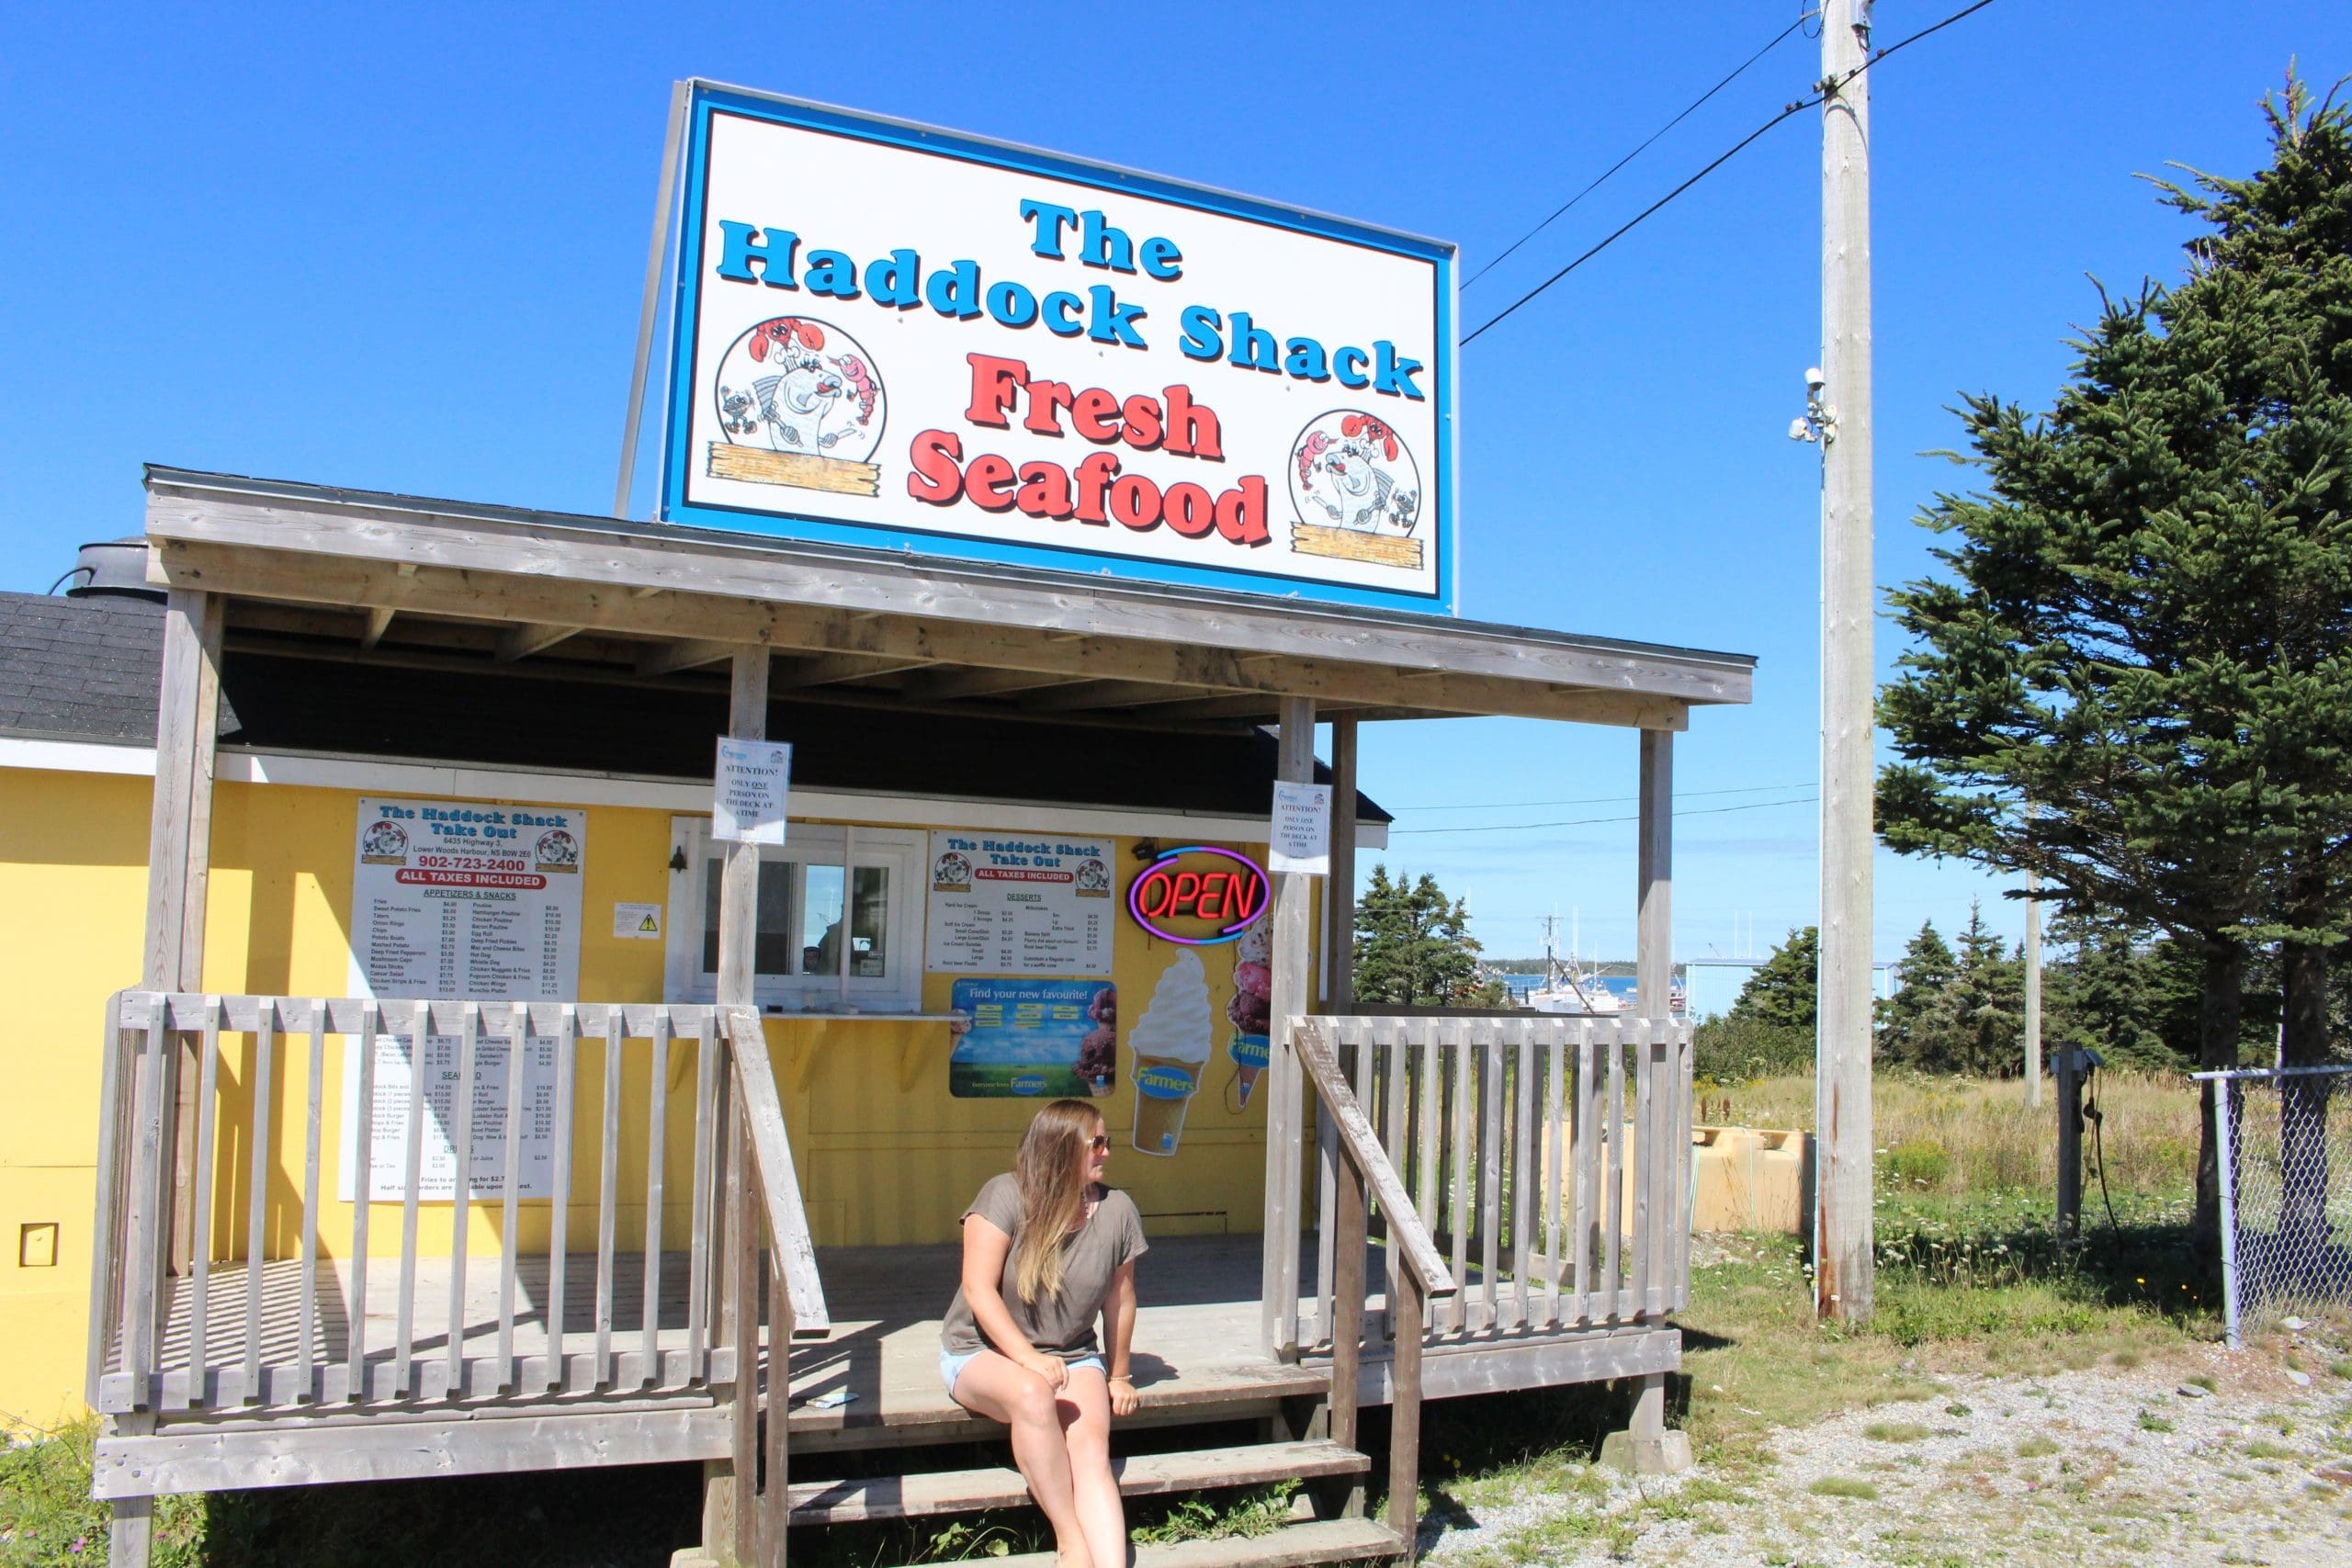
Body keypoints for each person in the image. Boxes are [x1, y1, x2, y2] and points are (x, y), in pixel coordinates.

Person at [941, 1099, 1145, 1568]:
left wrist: (1118, 1374)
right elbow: (977, 1289)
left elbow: (1121, 1300)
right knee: (1033, 1394)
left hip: (1071, 1353)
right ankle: (1071, 1541)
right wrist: (1028, 1359)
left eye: (1106, 1142)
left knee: (1091, 1451)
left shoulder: (1118, 1210)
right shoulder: (1003, 1196)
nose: (1106, 1152)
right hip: (982, 1351)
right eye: (1097, 1143)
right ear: (1062, 1148)